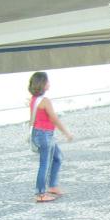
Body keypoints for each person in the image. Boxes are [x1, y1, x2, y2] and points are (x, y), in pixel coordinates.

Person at [27, 71, 73, 203]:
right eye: (47, 81)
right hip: (44, 135)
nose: (49, 83)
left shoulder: (34, 100)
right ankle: (40, 193)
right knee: (45, 164)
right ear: (42, 84)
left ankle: (52, 186)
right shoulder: (45, 101)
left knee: (58, 157)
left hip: (42, 134)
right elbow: (54, 118)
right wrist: (66, 132)